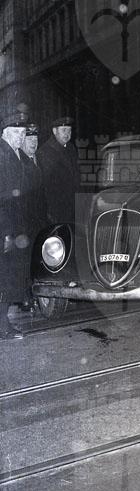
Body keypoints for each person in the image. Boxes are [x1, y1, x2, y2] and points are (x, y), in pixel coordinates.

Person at [0, 109, 32, 338]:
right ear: (5, 133)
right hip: (5, 228)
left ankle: (4, 325)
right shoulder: (3, 155)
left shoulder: (14, 154)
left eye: (23, 133)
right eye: (17, 133)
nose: (21, 137)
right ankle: (3, 327)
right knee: (4, 278)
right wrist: (6, 233)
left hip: (12, 226)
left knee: (8, 277)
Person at [20, 123, 48, 310]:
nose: (33, 142)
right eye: (29, 139)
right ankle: (26, 298)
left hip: (40, 219)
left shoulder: (40, 159)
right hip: (26, 221)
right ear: (22, 141)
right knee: (25, 260)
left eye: (35, 139)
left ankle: (37, 295)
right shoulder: (20, 163)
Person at [37, 116, 80, 224]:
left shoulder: (71, 148)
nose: (67, 134)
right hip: (56, 209)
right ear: (54, 131)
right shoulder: (45, 152)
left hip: (72, 205)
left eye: (69, 130)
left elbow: (75, 175)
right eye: (64, 130)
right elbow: (46, 186)